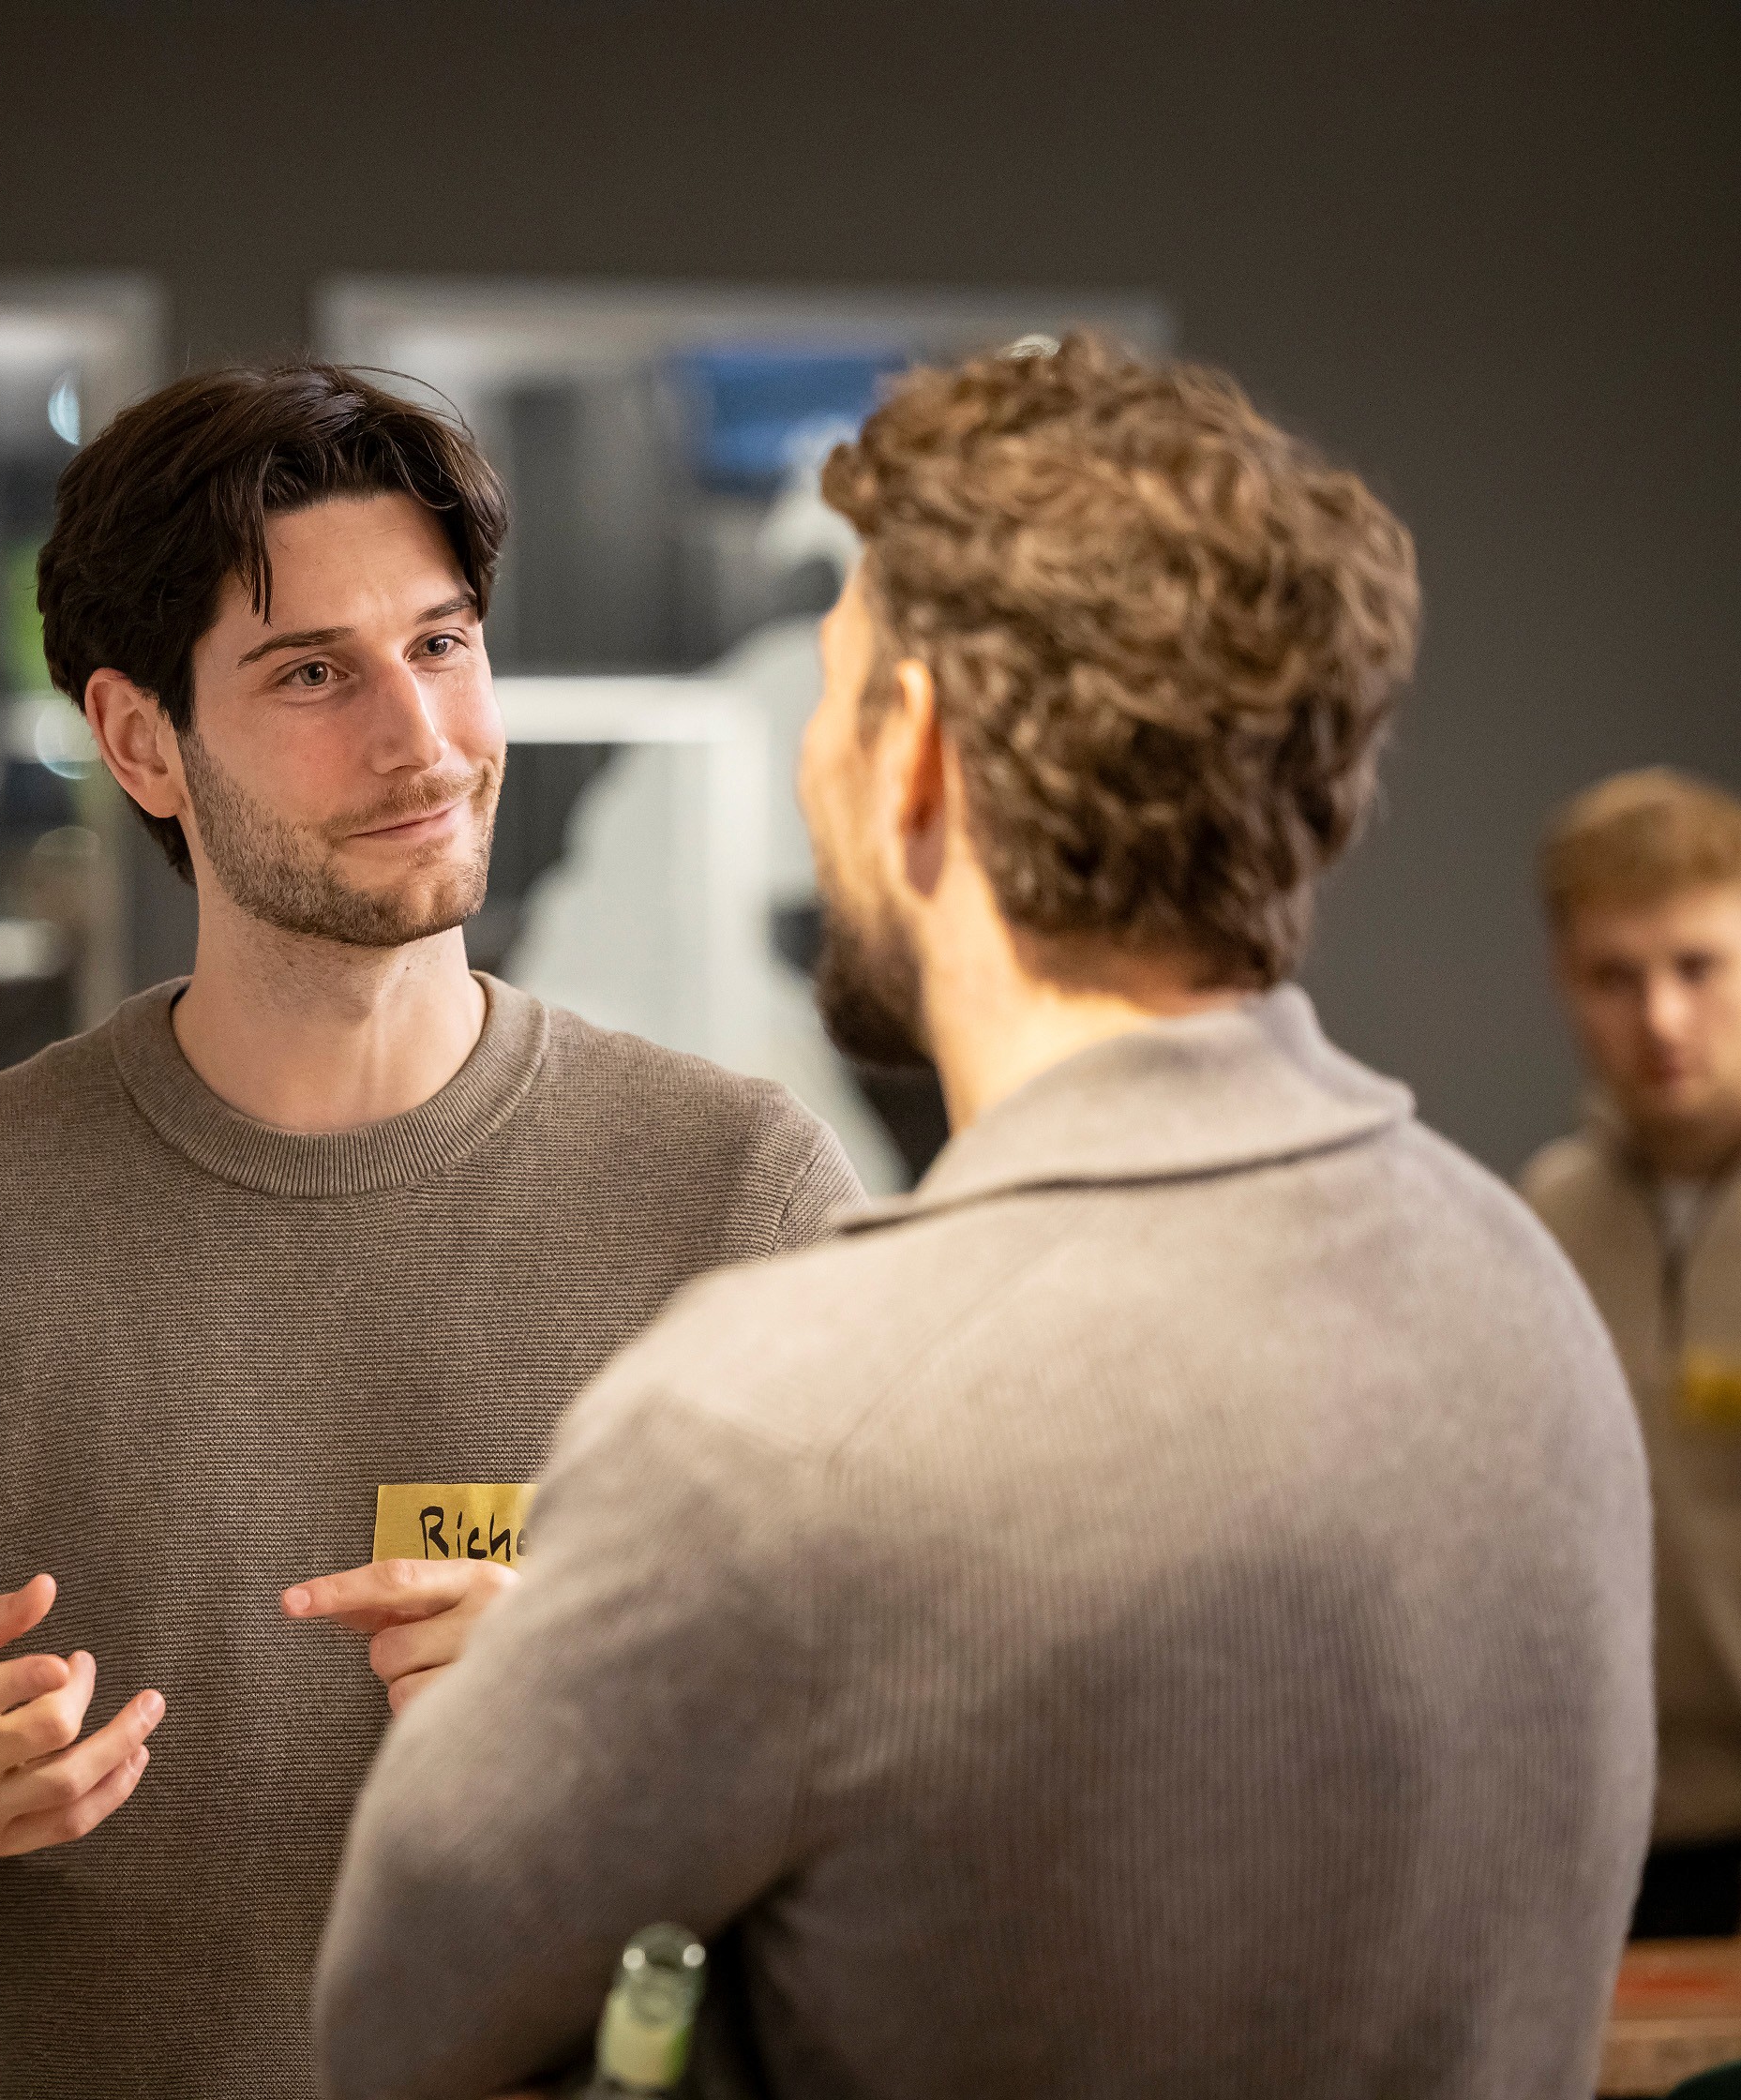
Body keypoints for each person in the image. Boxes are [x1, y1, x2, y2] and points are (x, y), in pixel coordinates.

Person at [313, 336, 1654, 2099]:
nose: (807, 770)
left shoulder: (776, 1426)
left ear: (918, 755)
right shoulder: (1526, 1298)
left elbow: (399, 2047)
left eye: (834, 695)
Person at [0, 363, 862, 2100]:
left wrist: (624, 1726)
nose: (421, 740)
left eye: (441, 645)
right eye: (311, 674)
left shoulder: (736, 1190)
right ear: (141, 741)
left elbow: (918, 1800)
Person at [1523, 768, 1741, 1939]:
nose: (1660, 1018)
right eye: (1617, 976)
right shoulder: (1544, 1221)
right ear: (1566, 981)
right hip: (1612, 1847)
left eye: (1697, 966)